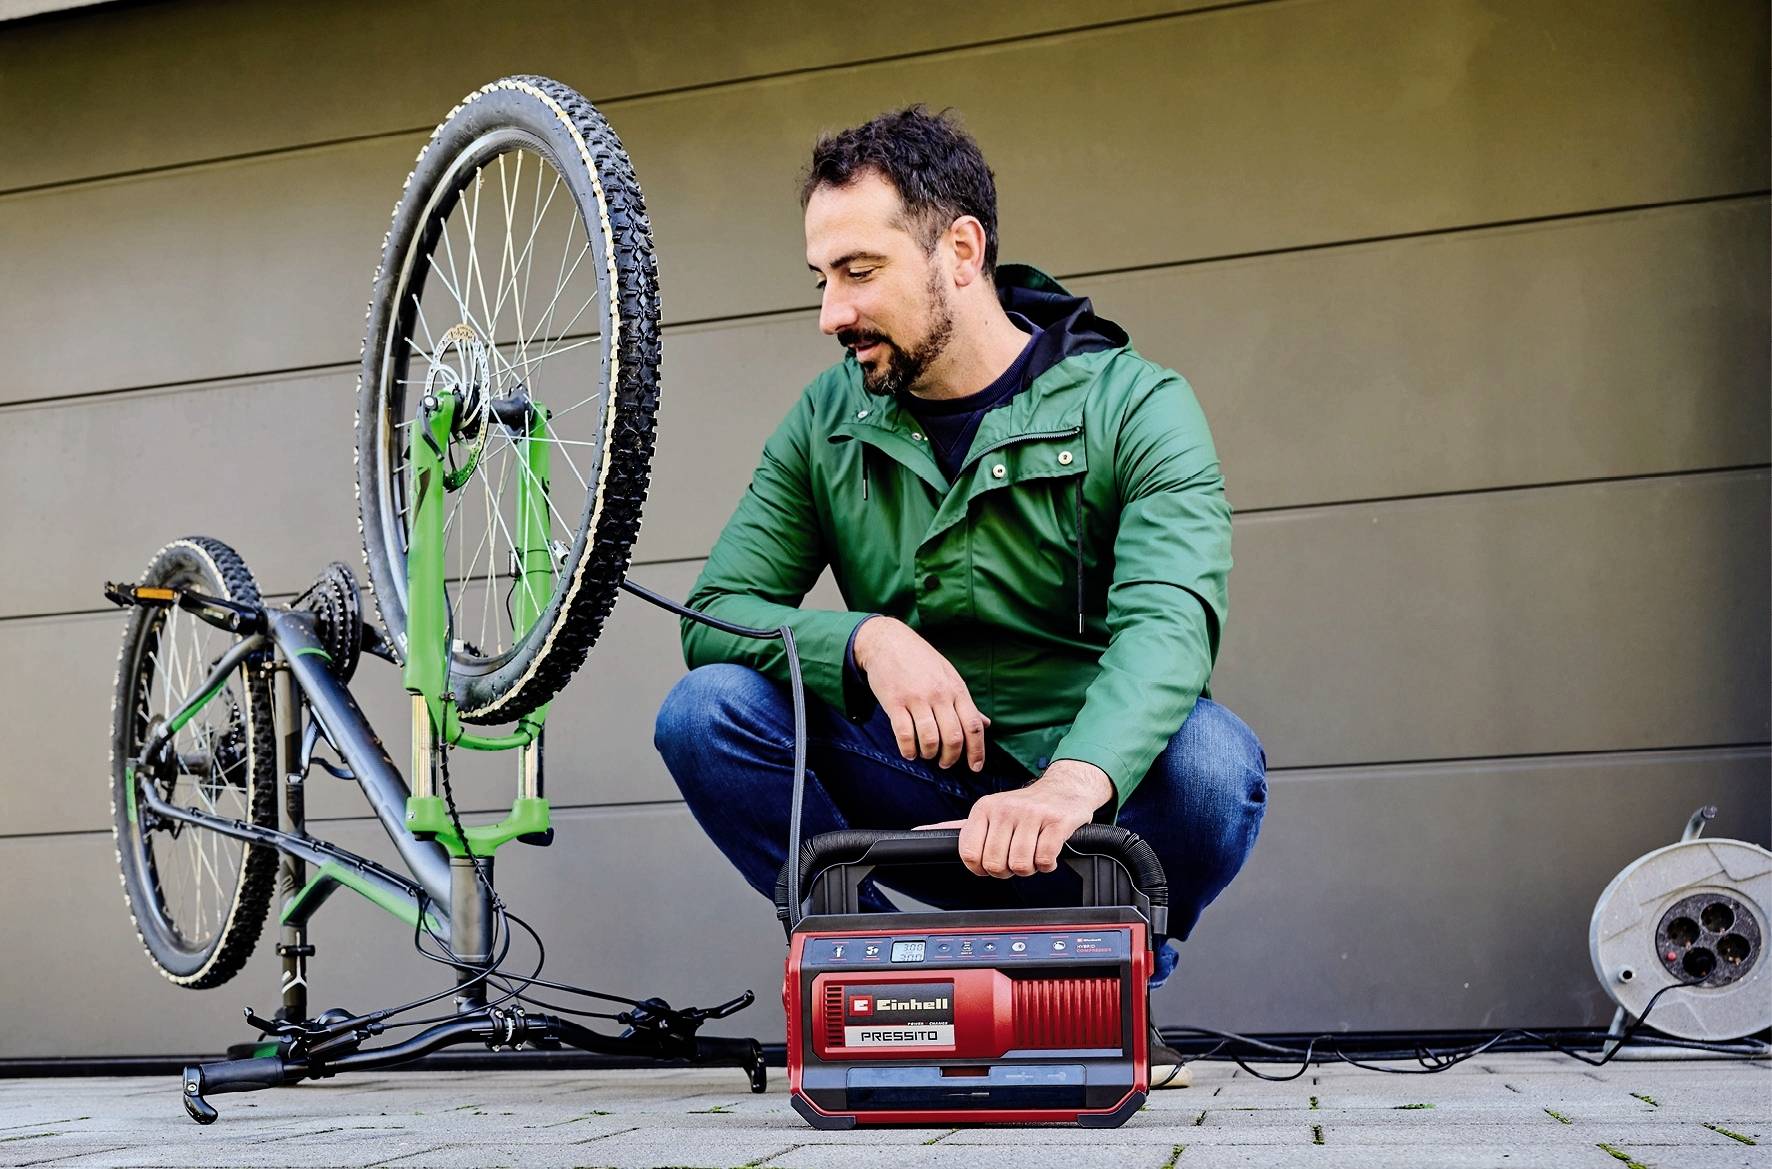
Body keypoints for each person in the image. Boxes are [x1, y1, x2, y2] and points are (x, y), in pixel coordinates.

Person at [654, 106, 1267, 1085]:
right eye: (821, 279)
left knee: (1210, 761)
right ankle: (898, 989)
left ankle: (1106, 988)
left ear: (959, 250)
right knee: (704, 714)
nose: (831, 313)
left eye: (859, 271)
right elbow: (717, 609)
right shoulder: (826, 417)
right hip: (916, 779)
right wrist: (863, 641)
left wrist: (1071, 781)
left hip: (1090, 802)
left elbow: (1170, 619)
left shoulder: (1135, 403)